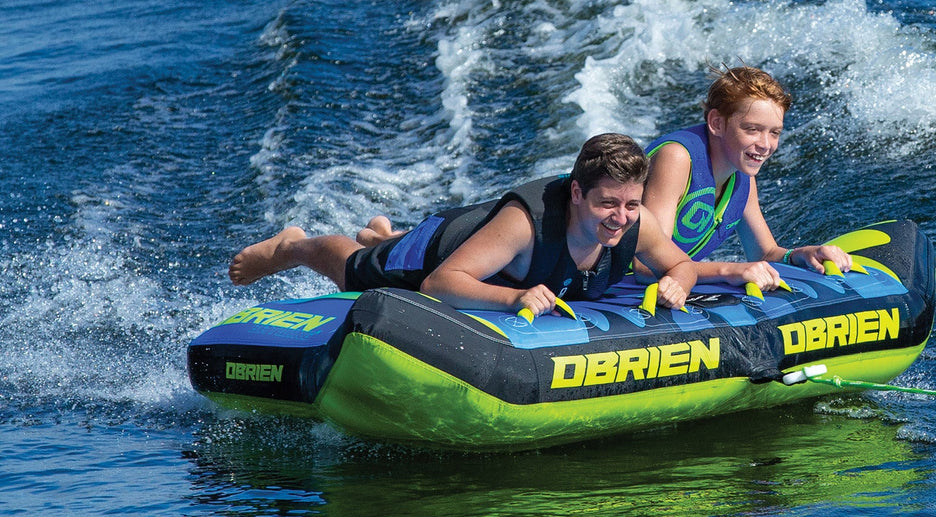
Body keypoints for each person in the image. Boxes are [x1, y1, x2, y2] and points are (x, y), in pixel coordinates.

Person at [228, 133, 696, 317]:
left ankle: (382, 234)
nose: (620, 217)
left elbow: (682, 265)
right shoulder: (525, 226)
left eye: (631, 204)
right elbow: (437, 284)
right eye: (607, 203)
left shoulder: (636, 222)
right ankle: (293, 246)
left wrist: (678, 282)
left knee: (385, 245)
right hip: (440, 248)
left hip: (483, 245)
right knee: (357, 269)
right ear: (576, 193)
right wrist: (513, 298)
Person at [640, 66, 852, 288]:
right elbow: (645, 267)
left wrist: (802, 255)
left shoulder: (741, 174)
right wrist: (729, 270)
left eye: (774, 132)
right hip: (617, 285)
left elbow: (764, 253)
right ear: (717, 123)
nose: (765, 145)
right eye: (752, 129)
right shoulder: (677, 158)